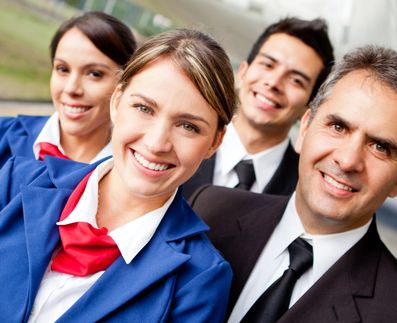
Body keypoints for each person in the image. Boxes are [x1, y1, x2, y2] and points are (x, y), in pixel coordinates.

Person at [190, 45, 397, 322]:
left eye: (380, 147)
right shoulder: (209, 210)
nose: (349, 160)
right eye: (338, 127)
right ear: (304, 129)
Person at [0, 28, 236, 322]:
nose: (156, 143)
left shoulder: (200, 279)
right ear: (116, 102)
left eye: (188, 126)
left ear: (215, 141)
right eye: (144, 108)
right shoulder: (15, 182)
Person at [183, 17, 334, 198]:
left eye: (296, 80)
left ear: (310, 106)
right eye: (268, 65)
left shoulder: (307, 190)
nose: (273, 83)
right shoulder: (181, 143)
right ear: (243, 71)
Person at [0, 11, 137, 166]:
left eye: (94, 74)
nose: (71, 89)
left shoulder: (130, 174)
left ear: (125, 85)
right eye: (62, 69)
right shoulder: (3, 134)